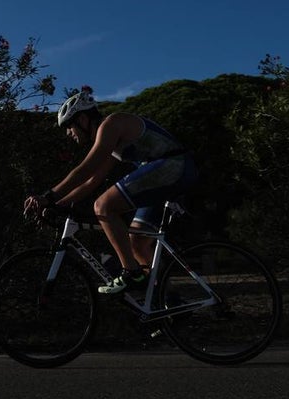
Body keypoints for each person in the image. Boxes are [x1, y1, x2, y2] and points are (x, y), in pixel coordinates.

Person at [24, 88, 197, 294]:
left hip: (173, 165)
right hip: (168, 172)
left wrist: (48, 196)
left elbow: (85, 168)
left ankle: (132, 274)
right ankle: (167, 305)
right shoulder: (113, 142)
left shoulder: (111, 124)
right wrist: (57, 205)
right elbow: (91, 181)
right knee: (137, 245)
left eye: (69, 126)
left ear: (83, 119)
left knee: (104, 205)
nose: (69, 133)